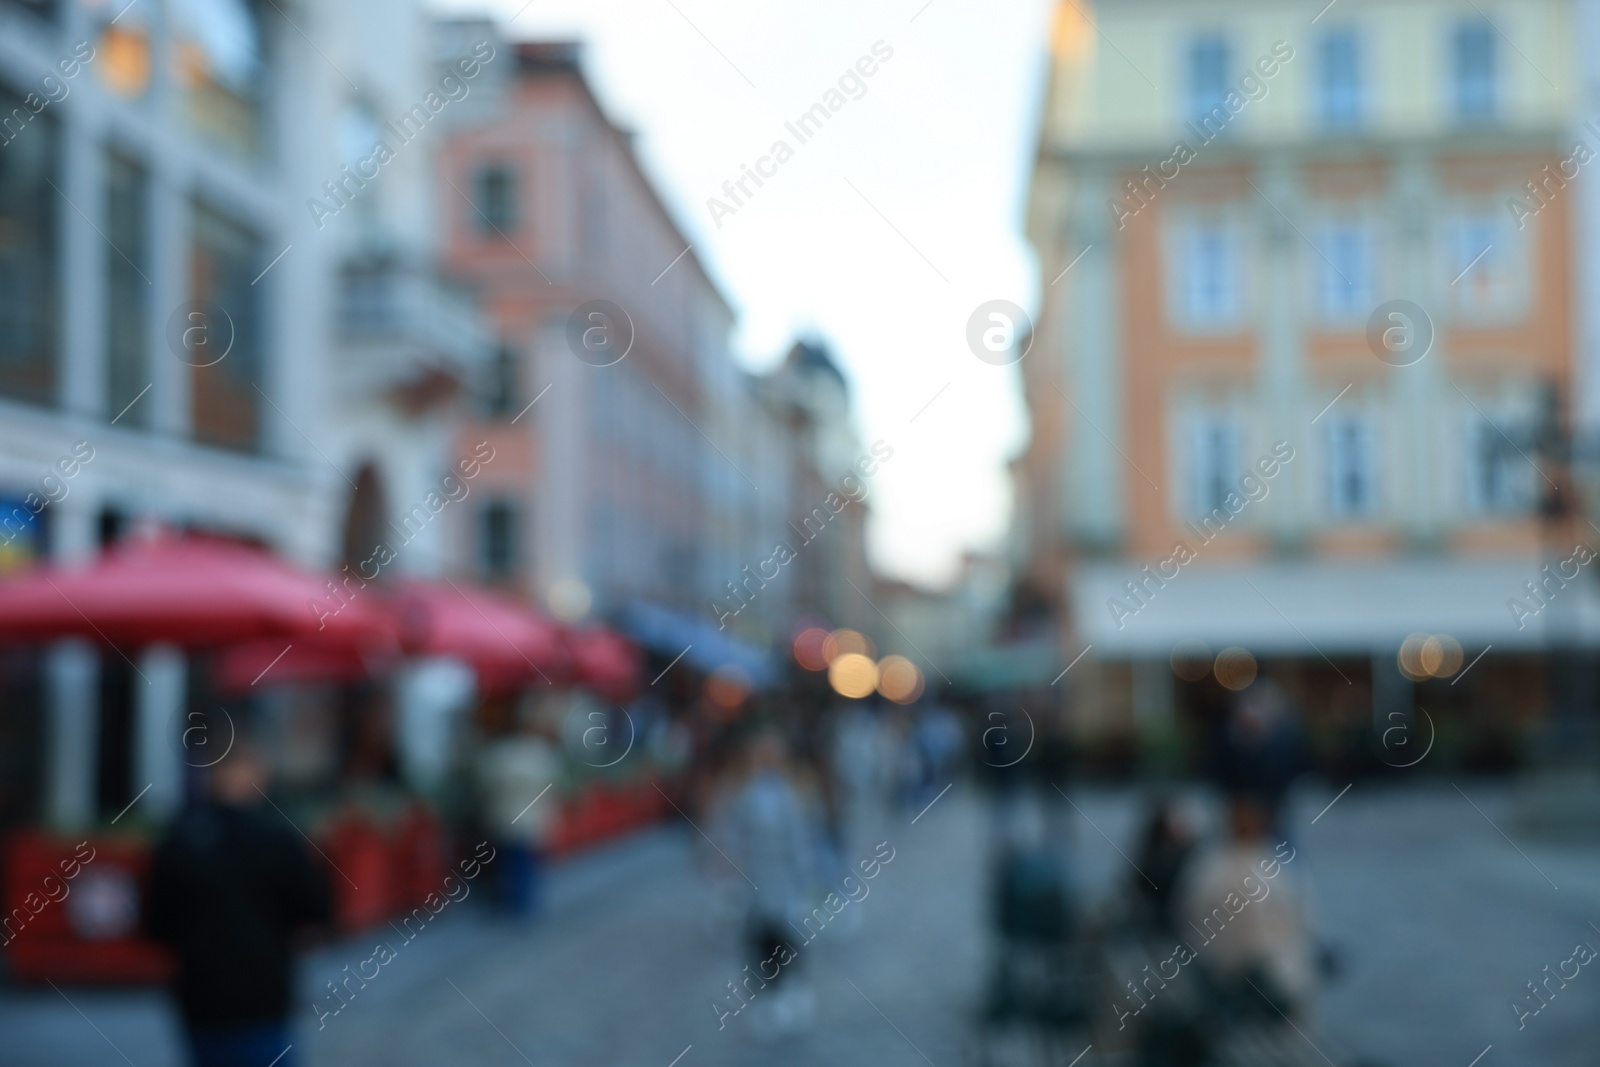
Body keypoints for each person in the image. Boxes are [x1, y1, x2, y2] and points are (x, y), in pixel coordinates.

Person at [147, 743, 332, 1067]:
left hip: (200, 998)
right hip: (263, 997)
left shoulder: (178, 839)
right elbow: (316, 910)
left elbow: (155, 923)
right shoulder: (277, 839)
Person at [1177, 792, 1317, 1025]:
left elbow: (1303, 924)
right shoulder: (1210, 867)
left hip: (1276, 972)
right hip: (1224, 973)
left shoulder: (1279, 866)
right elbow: (1189, 920)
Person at [476, 707, 562, 918]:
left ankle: (515, 902)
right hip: (528, 819)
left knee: (511, 861)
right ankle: (521, 903)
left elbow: (484, 783)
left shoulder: (500, 753)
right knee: (523, 862)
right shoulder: (541, 753)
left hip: (506, 817)